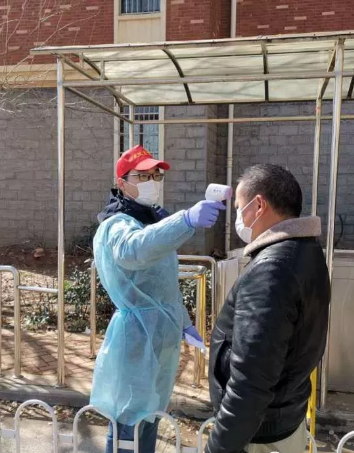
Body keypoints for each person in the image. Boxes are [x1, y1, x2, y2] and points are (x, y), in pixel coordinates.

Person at [92, 144, 226, 453]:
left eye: (156, 176)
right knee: (128, 424)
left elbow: (164, 286)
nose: (152, 182)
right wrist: (185, 220)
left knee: (150, 417)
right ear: (122, 183)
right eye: (143, 176)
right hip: (136, 340)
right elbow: (135, 250)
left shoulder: (149, 220)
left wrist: (183, 321)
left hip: (158, 337)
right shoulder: (117, 225)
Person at [206, 164, 331, 453]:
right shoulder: (306, 251)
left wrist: (219, 447)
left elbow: (250, 381)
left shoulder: (271, 270)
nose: (238, 217)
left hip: (258, 436)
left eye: (239, 208)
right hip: (283, 419)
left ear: (259, 205)